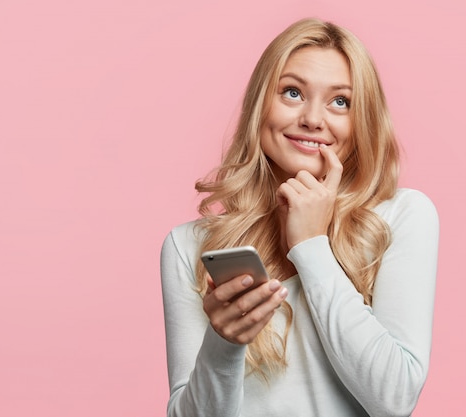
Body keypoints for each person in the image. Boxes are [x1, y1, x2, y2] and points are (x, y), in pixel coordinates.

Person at [160, 17, 439, 417]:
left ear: (362, 120)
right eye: (292, 92)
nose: (312, 118)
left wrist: (312, 246)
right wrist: (224, 343)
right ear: (260, 105)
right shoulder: (189, 247)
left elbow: (394, 400)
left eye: (340, 101)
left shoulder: (400, 218)